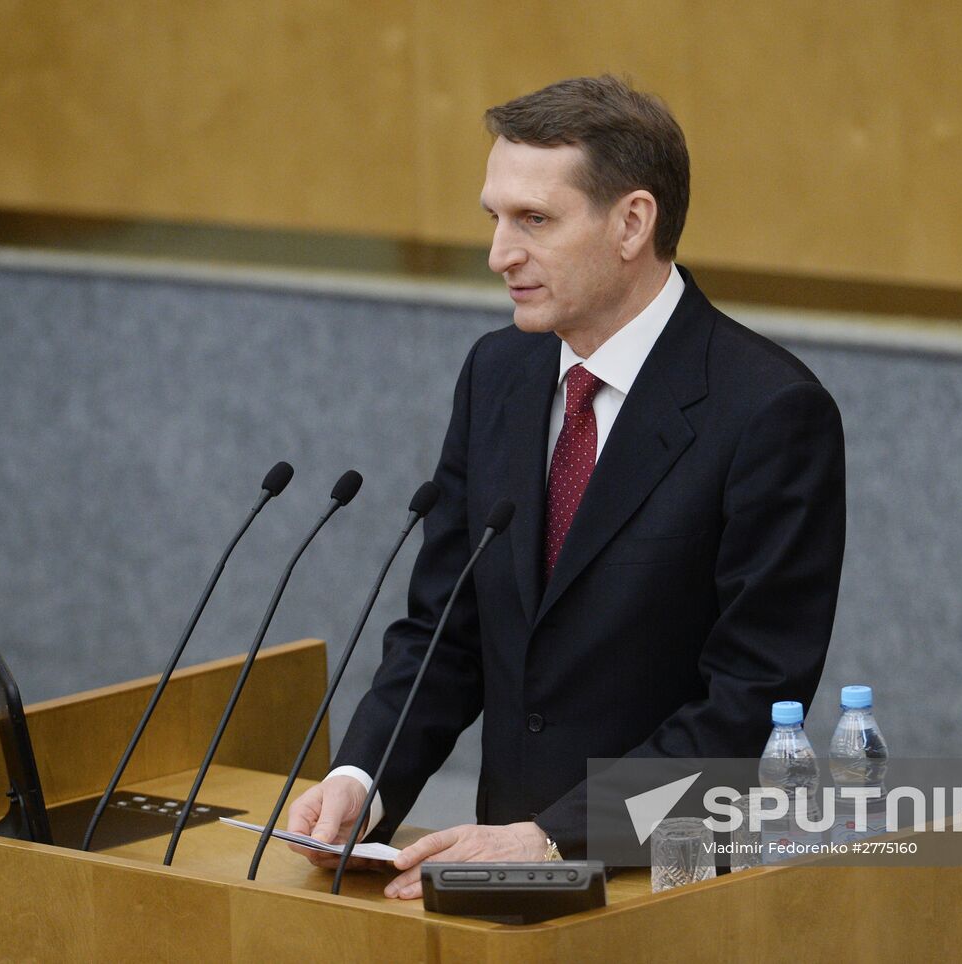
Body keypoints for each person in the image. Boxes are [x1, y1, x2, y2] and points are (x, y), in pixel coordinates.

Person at [288, 75, 847, 900]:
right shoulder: (498, 373)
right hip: (492, 882)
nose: (499, 253)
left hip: (663, 886)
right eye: (495, 218)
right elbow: (447, 628)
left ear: (632, 222)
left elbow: (751, 705)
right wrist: (361, 779)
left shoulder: (768, 413)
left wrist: (554, 835)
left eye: (535, 221)